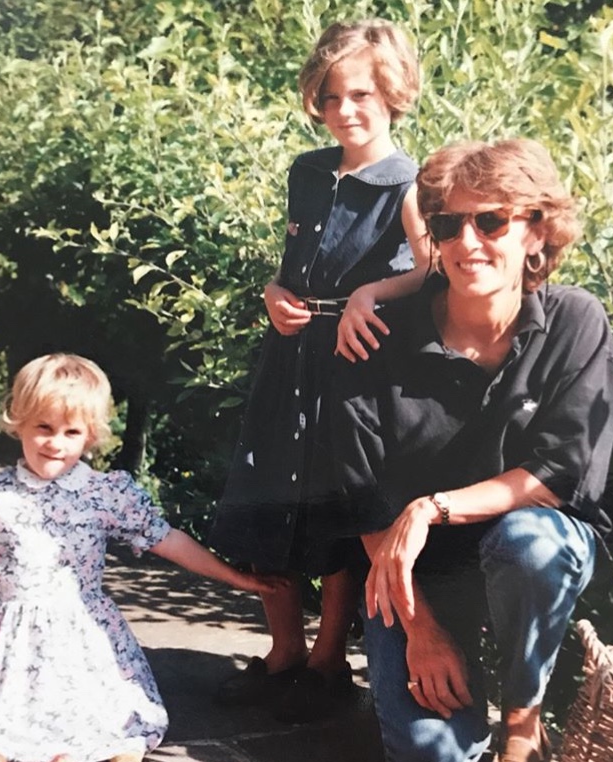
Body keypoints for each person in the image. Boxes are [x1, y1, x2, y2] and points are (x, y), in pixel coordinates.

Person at [329, 138, 613, 762]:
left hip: (525, 550)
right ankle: (449, 701)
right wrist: (420, 630)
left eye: (490, 221)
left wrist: (430, 506)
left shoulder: (574, 323)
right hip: (415, 574)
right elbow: (362, 499)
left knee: (531, 541)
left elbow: (557, 473)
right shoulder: (377, 336)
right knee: (427, 759)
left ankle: (522, 724)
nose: (467, 243)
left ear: (535, 231)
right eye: (447, 225)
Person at [208, 19, 432, 723]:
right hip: (290, 353)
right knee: (270, 489)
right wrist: (272, 293)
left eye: (360, 94)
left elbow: (431, 271)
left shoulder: (409, 184)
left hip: (354, 360)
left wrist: (372, 292)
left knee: (335, 506)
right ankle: (283, 650)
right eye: (331, 97)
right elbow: (289, 265)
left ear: (392, 94)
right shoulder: (306, 172)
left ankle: (328, 659)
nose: (344, 110)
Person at [0, 353, 283, 762]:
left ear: (89, 436)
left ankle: (75, 747)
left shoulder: (104, 494)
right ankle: (4, 742)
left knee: (107, 725)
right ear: (20, 423)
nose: (55, 443)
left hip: (81, 635)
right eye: (43, 427)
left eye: (71, 432)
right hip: (8, 639)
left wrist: (235, 578)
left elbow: (167, 539)